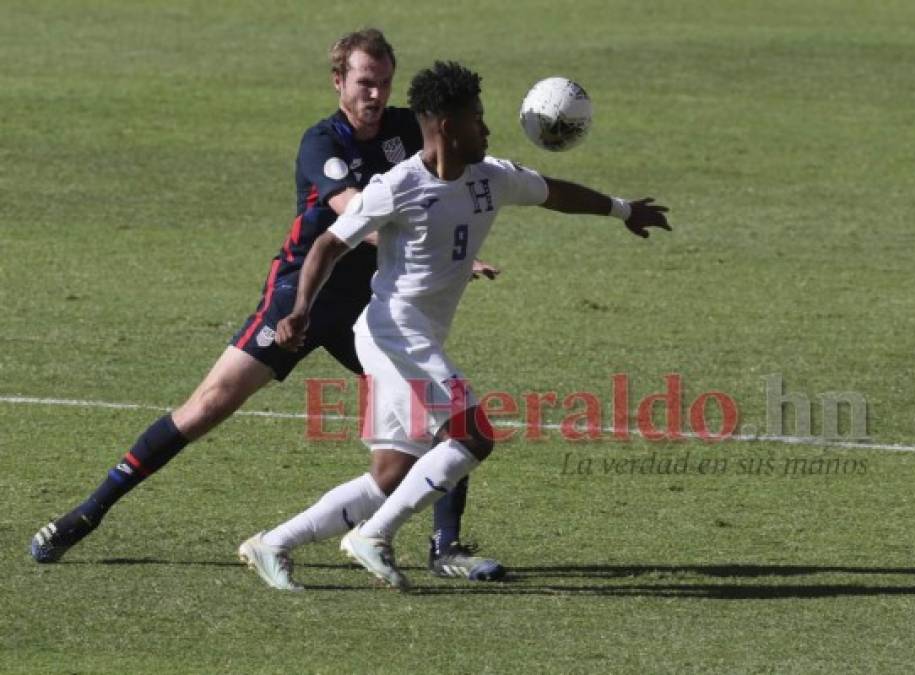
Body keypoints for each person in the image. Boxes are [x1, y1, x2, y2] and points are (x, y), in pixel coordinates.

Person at [29, 29, 505, 585]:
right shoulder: (321, 143)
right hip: (300, 299)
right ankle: (89, 511)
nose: (375, 96)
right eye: (363, 84)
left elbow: (461, 172)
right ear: (338, 82)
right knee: (206, 406)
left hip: (370, 313)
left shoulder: (406, 129)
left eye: (383, 84)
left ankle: (445, 548)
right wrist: (426, 233)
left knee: (442, 411)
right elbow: (350, 210)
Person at [250, 60, 670, 590]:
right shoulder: (396, 186)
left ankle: (273, 544)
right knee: (474, 434)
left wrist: (623, 209)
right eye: (477, 118)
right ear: (447, 126)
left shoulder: (491, 178)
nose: (488, 128)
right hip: (393, 332)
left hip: (411, 336)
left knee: (390, 476)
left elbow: (556, 193)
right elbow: (330, 243)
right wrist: (299, 309)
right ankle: (372, 537)